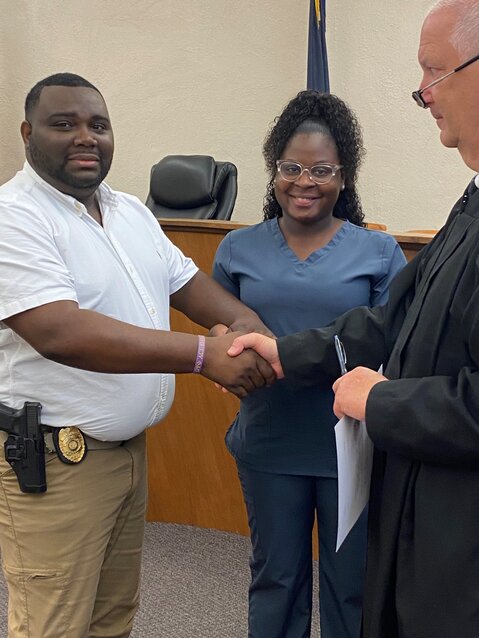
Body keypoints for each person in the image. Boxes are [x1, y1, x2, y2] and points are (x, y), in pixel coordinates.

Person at [228, 2, 479, 636]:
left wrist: (384, 400)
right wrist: (289, 353)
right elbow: (389, 320)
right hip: (419, 503)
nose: (422, 95)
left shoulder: (376, 241)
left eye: (433, 72)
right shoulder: (471, 203)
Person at [0, 72, 276, 638]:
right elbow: (58, 331)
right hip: (55, 463)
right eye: (64, 124)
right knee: (54, 625)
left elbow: (191, 287)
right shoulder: (14, 216)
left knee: (112, 618)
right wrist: (205, 355)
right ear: (27, 133)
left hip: (127, 457)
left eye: (98, 125)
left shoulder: (129, 212)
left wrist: (246, 330)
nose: (85, 137)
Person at [212, 90, 406, 638]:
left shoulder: (378, 253)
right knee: (276, 579)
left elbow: (387, 341)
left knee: (351, 585)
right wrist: (228, 344)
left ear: (345, 177)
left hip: (350, 444)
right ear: (274, 171)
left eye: (322, 169)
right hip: (270, 440)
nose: (305, 181)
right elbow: (221, 325)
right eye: (291, 167)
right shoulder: (237, 248)